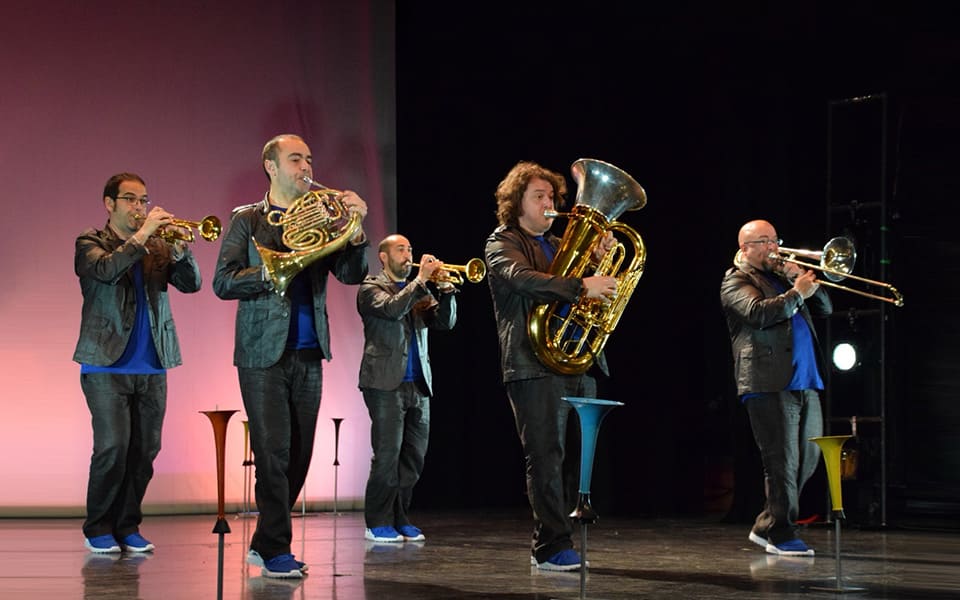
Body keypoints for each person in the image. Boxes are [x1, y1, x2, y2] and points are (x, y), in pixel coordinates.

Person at [213, 133, 369, 578]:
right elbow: (224, 282)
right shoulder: (247, 220)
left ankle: (264, 543)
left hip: (309, 350)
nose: (306, 166)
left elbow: (352, 275)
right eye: (295, 158)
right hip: (262, 352)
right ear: (272, 167)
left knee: (299, 454)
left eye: (309, 159)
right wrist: (274, 269)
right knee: (273, 452)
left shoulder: (325, 215)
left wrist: (356, 231)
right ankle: (278, 549)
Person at [484, 161, 618, 572]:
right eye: (538, 196)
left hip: (575, 359)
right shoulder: (501, 242)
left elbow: (587, 295)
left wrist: (597, 264)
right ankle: (549, 546)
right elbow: (523, 279)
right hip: (531, 363)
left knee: (576, 455)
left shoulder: (560, 245)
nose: (549, 203)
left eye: (552, 197)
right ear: (516, 202)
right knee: (545, 456)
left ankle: (565, 537)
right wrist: (582, 284)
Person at [74, 172, 202, 554]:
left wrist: (179, 249)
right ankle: (98, 526)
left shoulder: (158, 244)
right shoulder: (90, 241)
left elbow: (192, 284)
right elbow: (106, 271)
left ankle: (127, 525)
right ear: (109, 204)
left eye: (143, 200)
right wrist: (144, 235)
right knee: (112, 448)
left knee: (145, 451)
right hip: (105, 365)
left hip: (153, 364)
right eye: (130, 199)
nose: (139, 207)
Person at [719, 219, 833, 557]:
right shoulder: (735, 280)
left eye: (775, 239)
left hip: (806, 380)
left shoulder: (782, 279)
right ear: (746, 248)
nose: (774, 247)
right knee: (781, 461)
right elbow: (757, 313)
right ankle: (781, 534)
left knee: (808, 459)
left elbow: (824, 308)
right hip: (768, 382)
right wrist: (796, 292)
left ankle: (767, 523)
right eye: (765, 241)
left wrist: (799, 281)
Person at [357, 234, 458, 543]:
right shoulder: (371, 288)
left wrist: (448, 293)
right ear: (384, 257)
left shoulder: (419, 291)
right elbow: (391, 310)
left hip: (419, 384)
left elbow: (445, 323)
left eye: (410, 249)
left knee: (413, 458)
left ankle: (401, 518)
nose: (408, 254)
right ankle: (377, 521)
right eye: (401, 249)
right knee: (387, 456)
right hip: (385, 384)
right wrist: (421, 281)